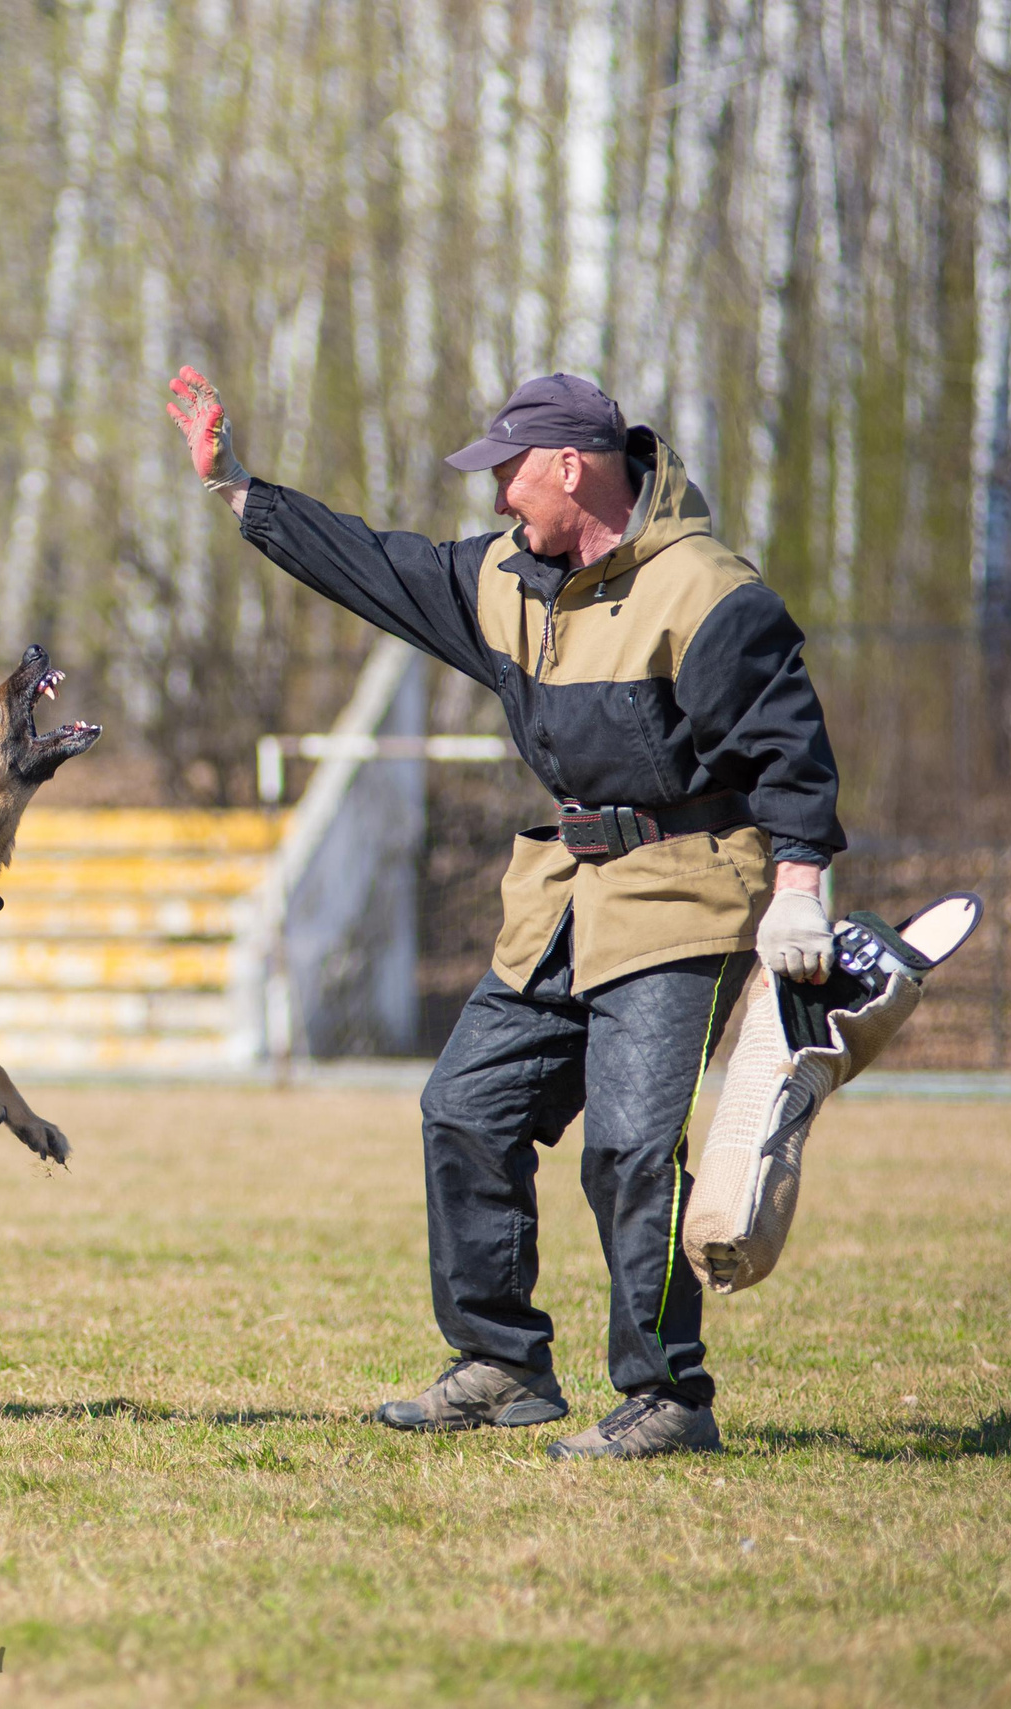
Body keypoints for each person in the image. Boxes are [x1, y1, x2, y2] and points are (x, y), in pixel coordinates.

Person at [167, 369, 844, 1460]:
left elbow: (788, 747)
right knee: (464, 1107)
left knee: (628, 1148)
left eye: (508, 477)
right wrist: (239, 488)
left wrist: (801, 885)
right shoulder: (506, 578)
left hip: (683, 890)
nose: (494, 504)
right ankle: (501, 1364)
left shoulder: (707, 590)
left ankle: (668, 1395)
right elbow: (373, 565)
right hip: (567, 895)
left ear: (570, 468)